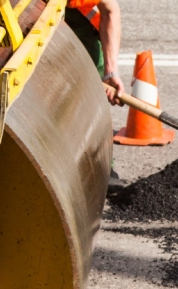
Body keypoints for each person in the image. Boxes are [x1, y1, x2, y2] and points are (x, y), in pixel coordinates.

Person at [65, 0, 128, 194]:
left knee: (92, 103)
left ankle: (102, 168)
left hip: (77, 22)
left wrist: (110, 73)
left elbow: (110, 9)